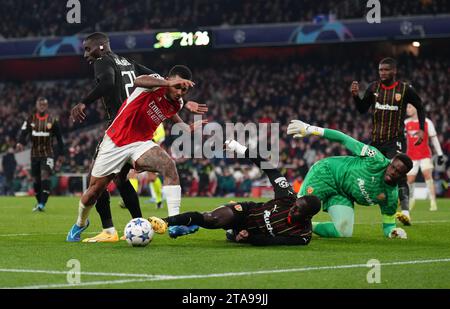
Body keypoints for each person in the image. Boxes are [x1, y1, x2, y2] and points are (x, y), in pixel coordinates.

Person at [71, 32, 207, 242]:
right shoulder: (151, 85)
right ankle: (80, 223)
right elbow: (139, 80)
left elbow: (173, 113)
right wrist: (166, 83)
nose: (180, 92)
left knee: (169, 167)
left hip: (140, 142)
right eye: (178, 86)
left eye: (183, 89)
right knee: (94, 191)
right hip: (116, 139)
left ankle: (174, 223)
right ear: (169, 80)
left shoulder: (177, 102)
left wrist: (186, 127)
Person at [148, 140, 321, 246]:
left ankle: (222, 232)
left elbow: (271, 241)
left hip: (252, 232)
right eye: (296, 205)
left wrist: (249, 237)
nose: (293, 209)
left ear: (308, 217)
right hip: (246, 212)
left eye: (298, 210)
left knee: (233, 236)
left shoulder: (302, 236)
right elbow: (269, 168)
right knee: (211, 219)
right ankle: (164, 222)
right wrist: (239, 148)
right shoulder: (288, 197)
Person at [287, 119, 412, 239]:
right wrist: (310, 129)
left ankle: (308, 227)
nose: (393, 172)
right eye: (393, 167)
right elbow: (344, 139)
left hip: (343, 194)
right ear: (390, 163)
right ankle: (273, 226)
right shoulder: (375, 159)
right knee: (299, 209)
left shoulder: (391, 196)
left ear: (402, 176)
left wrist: (393, 232)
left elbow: (388, 226)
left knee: (343, 232)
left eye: (398, 172)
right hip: (326, 173)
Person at [351, 57, 425, 226]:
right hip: (376, 141)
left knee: (399, 172)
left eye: (386, 70)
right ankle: (373, 198)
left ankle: (405, 212)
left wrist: (421, 129)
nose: (383, 73)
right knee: (363, 169)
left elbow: (420, 106)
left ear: (394, 71)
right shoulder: (373, 87)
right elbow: (362, 109)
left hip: (395, 141)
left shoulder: (405, 89)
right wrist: (355, 96)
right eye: (380, 70)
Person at [16, 97, 64, 211]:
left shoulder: (52, 120)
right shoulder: (30, 119)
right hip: (34, 154)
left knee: (45, 175)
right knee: (36, 180)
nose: (42, 106)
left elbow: (59, 138)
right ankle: (39, 202)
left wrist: (61, 154)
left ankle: (43, 203)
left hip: (48, 153)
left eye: (44, 105)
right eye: (40, 104)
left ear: (46, 106)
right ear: (36, 106)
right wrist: (20, 143)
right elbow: (23, 133)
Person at [405, 104, 444, 211]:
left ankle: (433, 202)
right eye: (407, 107)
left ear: (415, 108)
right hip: (411, 156)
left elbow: (434, 139)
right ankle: (412, 199)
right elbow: (402, 140)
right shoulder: (406, 123)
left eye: (409, 107)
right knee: (410, 180)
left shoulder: (427, 122)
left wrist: (440, 154)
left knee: (427, 174)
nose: (407, 109)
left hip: (424, 155)